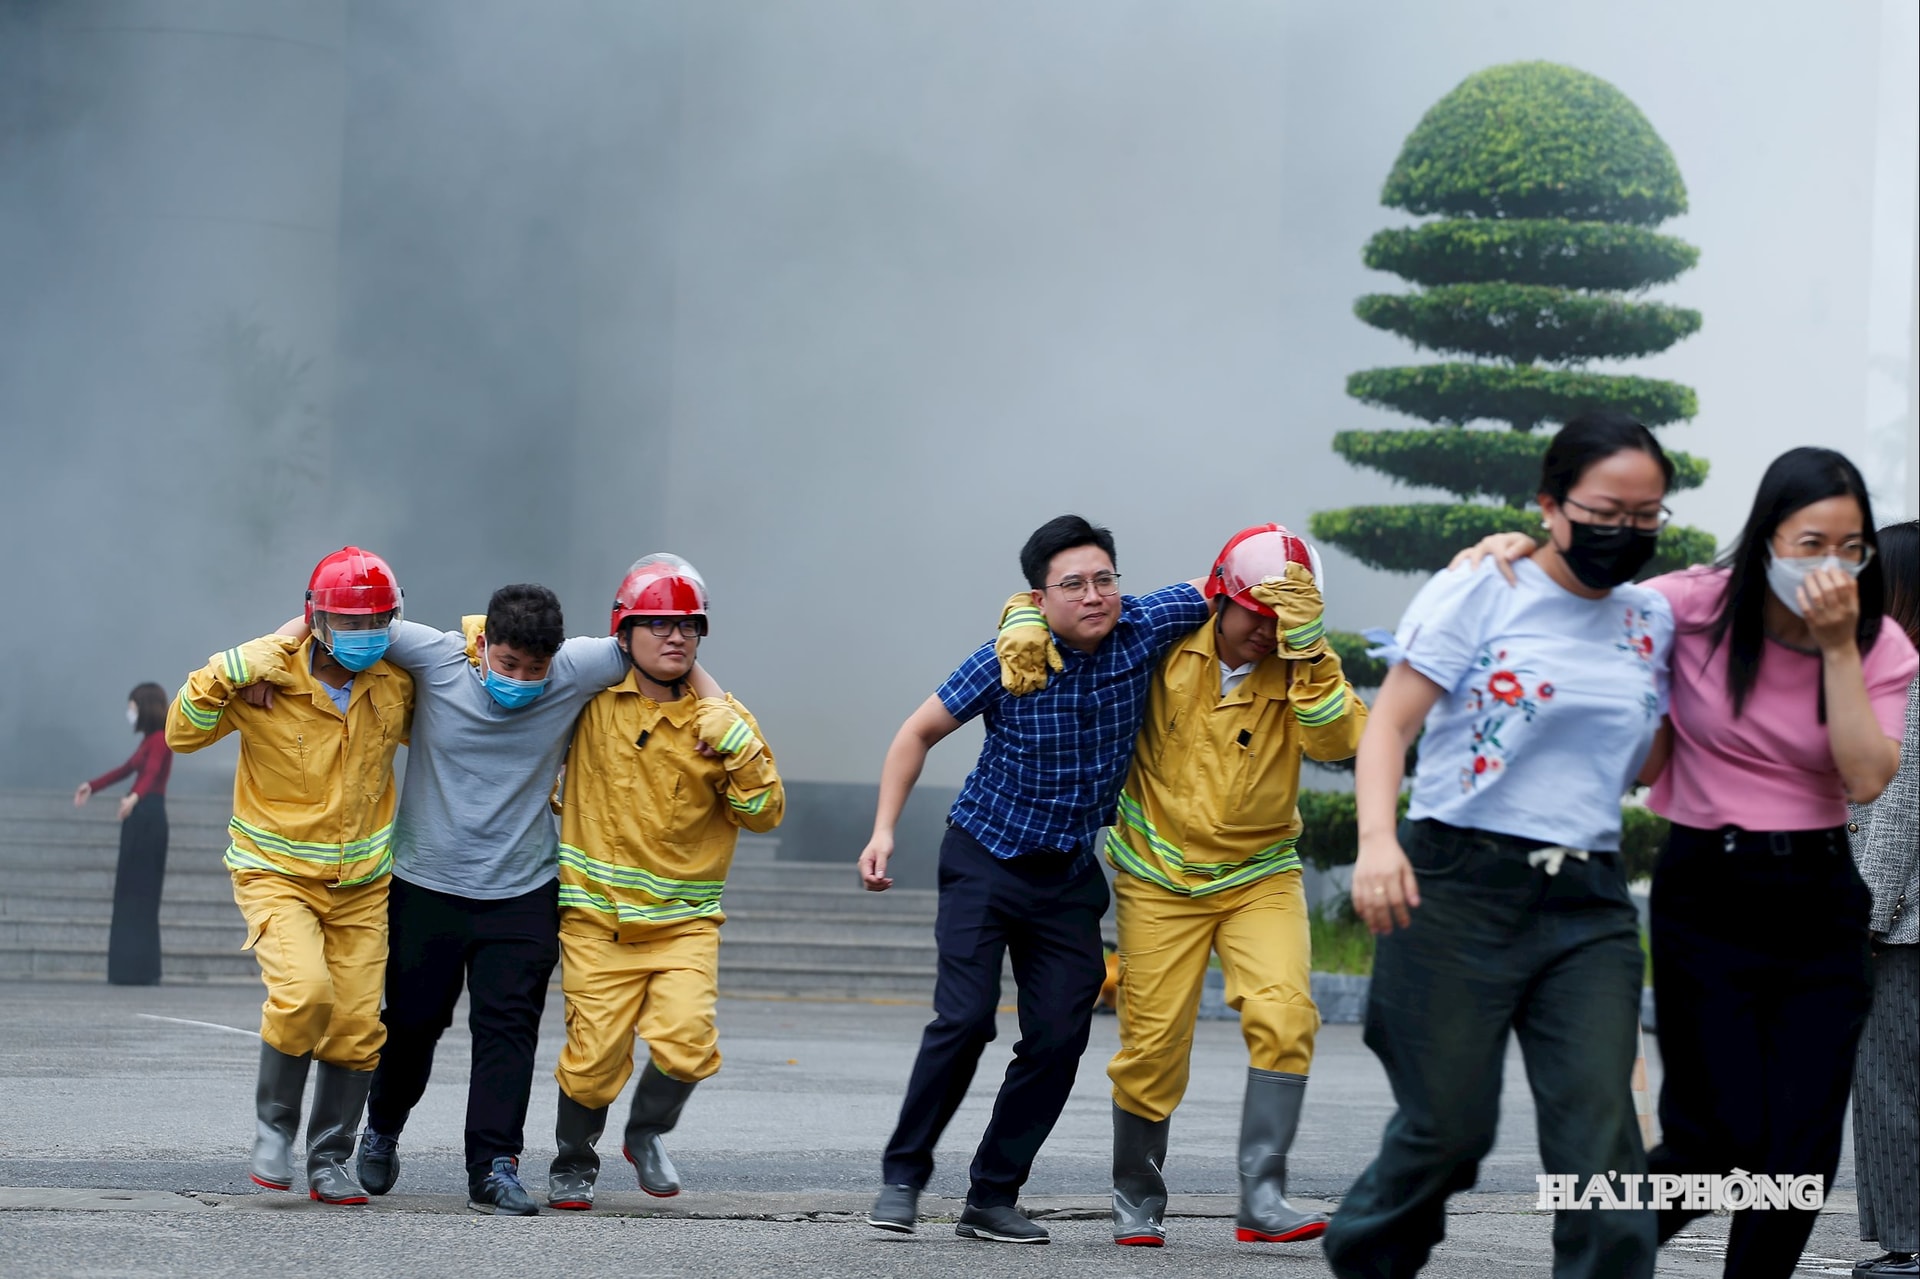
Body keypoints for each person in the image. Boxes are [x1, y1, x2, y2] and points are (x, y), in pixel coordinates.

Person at [1459, 446, 1917, 1278]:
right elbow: (1579, 601)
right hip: (1710, 889)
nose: (1833, 565)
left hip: (1820, 895)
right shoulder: (1686, 607)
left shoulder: (1877, 643)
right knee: (1721, 1138)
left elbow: (1866, 775)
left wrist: (1839, 647)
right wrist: (1510, 551)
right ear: (1767, 535)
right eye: (1811, 543)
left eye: (1852, 548)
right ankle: (1598, 1250)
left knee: (1802, 1149)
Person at [1322, 414, 1678, 1279]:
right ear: (1551, 504)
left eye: (1647, 516)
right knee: (1448, 1129)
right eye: (1606, 509)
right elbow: (1389, 726)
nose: (1624, 531)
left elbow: (1655, 750)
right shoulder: (1482, 586)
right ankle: (1366, 1257)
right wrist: (1377, 842)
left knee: (1604, 1148)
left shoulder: (1652, 618)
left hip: (1586, 901)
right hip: (1454, 884)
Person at [857, 514, 1212, 1246]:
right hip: (984, 857)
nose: (1093, 595)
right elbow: (914, 732)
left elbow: (1234, 583)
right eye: (1072, 584)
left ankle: (991, 1197)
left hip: (1068, 874)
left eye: (1104, 578)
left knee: (1059, 1035)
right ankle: (902, 1177)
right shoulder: (1009, 654)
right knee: (965, 1019)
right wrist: (884, 829)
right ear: (1038, 597)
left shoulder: (1145, 625)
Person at [348, 580, 721, 1217]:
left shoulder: (575, 668)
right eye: (508, 663)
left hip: (521, 892)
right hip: (427, 885)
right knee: (412, 1026)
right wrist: (279, 660)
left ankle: (493, 1165)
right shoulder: (436, 656)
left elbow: (669, 655)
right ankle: (382, 1125)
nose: (521, 679)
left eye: (535, 668)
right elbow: (347, 625)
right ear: (481, 643)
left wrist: (720, 714)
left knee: (509, 1033)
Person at [1088, 524, 1366, 1248]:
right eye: (1257, 615)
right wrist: (1020, 613)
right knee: (1152, 1044)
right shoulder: (1162, 644)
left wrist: (1309, 650)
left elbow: (1342, 743)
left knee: (1285, 1014)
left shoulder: (1304, 664)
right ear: (1221, 598)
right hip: (1156, 874)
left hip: (1259, 874)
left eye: (1285, 619)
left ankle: (1262, 1195)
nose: (1267, 632)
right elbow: (1073, 623)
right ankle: (1137, 1193)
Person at [165, 547, 413, 1204]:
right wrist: (233, 670)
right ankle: (273, 1127)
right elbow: (181, 733)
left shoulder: (394, 683)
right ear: (316, 619)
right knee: (305, 994)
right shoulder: (264, 676)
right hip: (277, 874)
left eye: (380, 620)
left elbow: (467, 712)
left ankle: (330, 1156)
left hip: (362, 884)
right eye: (352, 622)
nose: (368, 634)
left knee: (360, 1024)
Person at [544, 554, 784, 1211]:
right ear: (623, 632)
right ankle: (572, 1159)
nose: (675, 636)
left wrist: (738, 747)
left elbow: (765, 814)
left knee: (687, 1040)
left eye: (689, 626)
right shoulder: (587, 703)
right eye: (658, 623)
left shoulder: (723, 720)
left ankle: (646, 1131)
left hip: (683, 924)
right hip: (597, 923)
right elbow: (509, 659)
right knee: (593, 1060)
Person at [1846, 520, 1919, 1279]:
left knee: (1891, 1086)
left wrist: (1865, 915)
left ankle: (1907, 1244)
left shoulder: (1912, 679)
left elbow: (1900, 808)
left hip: (1902, 927)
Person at [76, 682, 174, 986]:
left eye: (132, 706)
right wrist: (92, 786)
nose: (129, 712)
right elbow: (125, 769)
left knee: (140, 895)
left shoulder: (159, 740)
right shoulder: (147, 741)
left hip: (148, 818)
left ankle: (139, 969)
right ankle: (130, 968)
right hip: (141, 817)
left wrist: (134, 798)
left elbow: (151, 773)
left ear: (144, 707)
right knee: (130, 894)